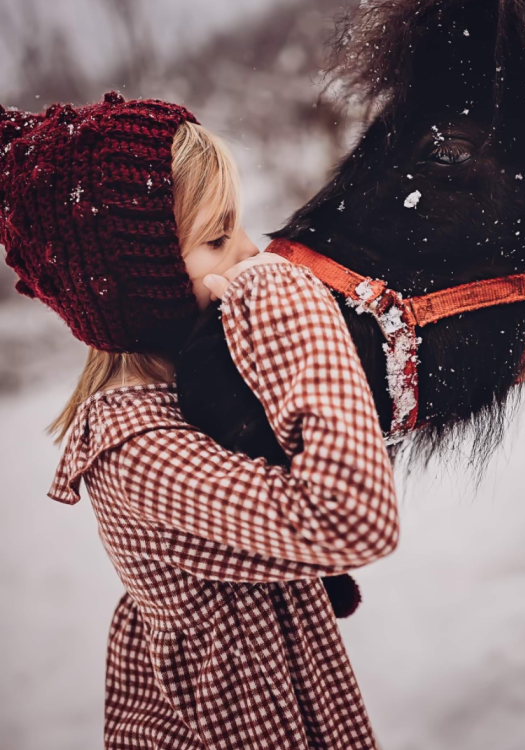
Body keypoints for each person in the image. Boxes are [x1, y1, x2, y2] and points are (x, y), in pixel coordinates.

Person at [0, 92, 399, 749]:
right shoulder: (138, 448)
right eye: (217, 238)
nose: (249, 254)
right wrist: (299, 307)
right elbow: (351, 515)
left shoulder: (198, 387)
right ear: (140, 282)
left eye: (238, 227)